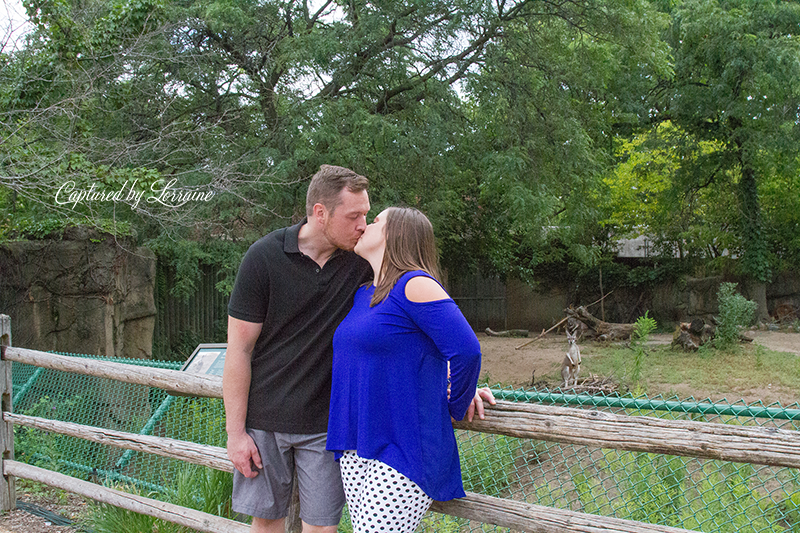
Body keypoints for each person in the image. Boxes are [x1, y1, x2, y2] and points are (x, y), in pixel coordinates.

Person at [223, 165, 372, 533]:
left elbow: (414, 316)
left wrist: (453, 376)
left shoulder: (363, 263)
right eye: (354, 216)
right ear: (321, 213)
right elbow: (238, 350)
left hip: (327, 425)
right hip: (264, 424)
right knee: (266, 524)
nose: (363, 225)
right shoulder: (263, 258)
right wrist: (235, 434)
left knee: (322, 528)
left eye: (366, 215)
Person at [326, 207, 487, 533]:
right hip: (357, 447)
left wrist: (455, 403)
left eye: (375, 222)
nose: (365, 227)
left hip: (403, 448)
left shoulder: (414, 284)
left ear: (396, 235)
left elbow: (467, 351)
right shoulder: (364, 294)